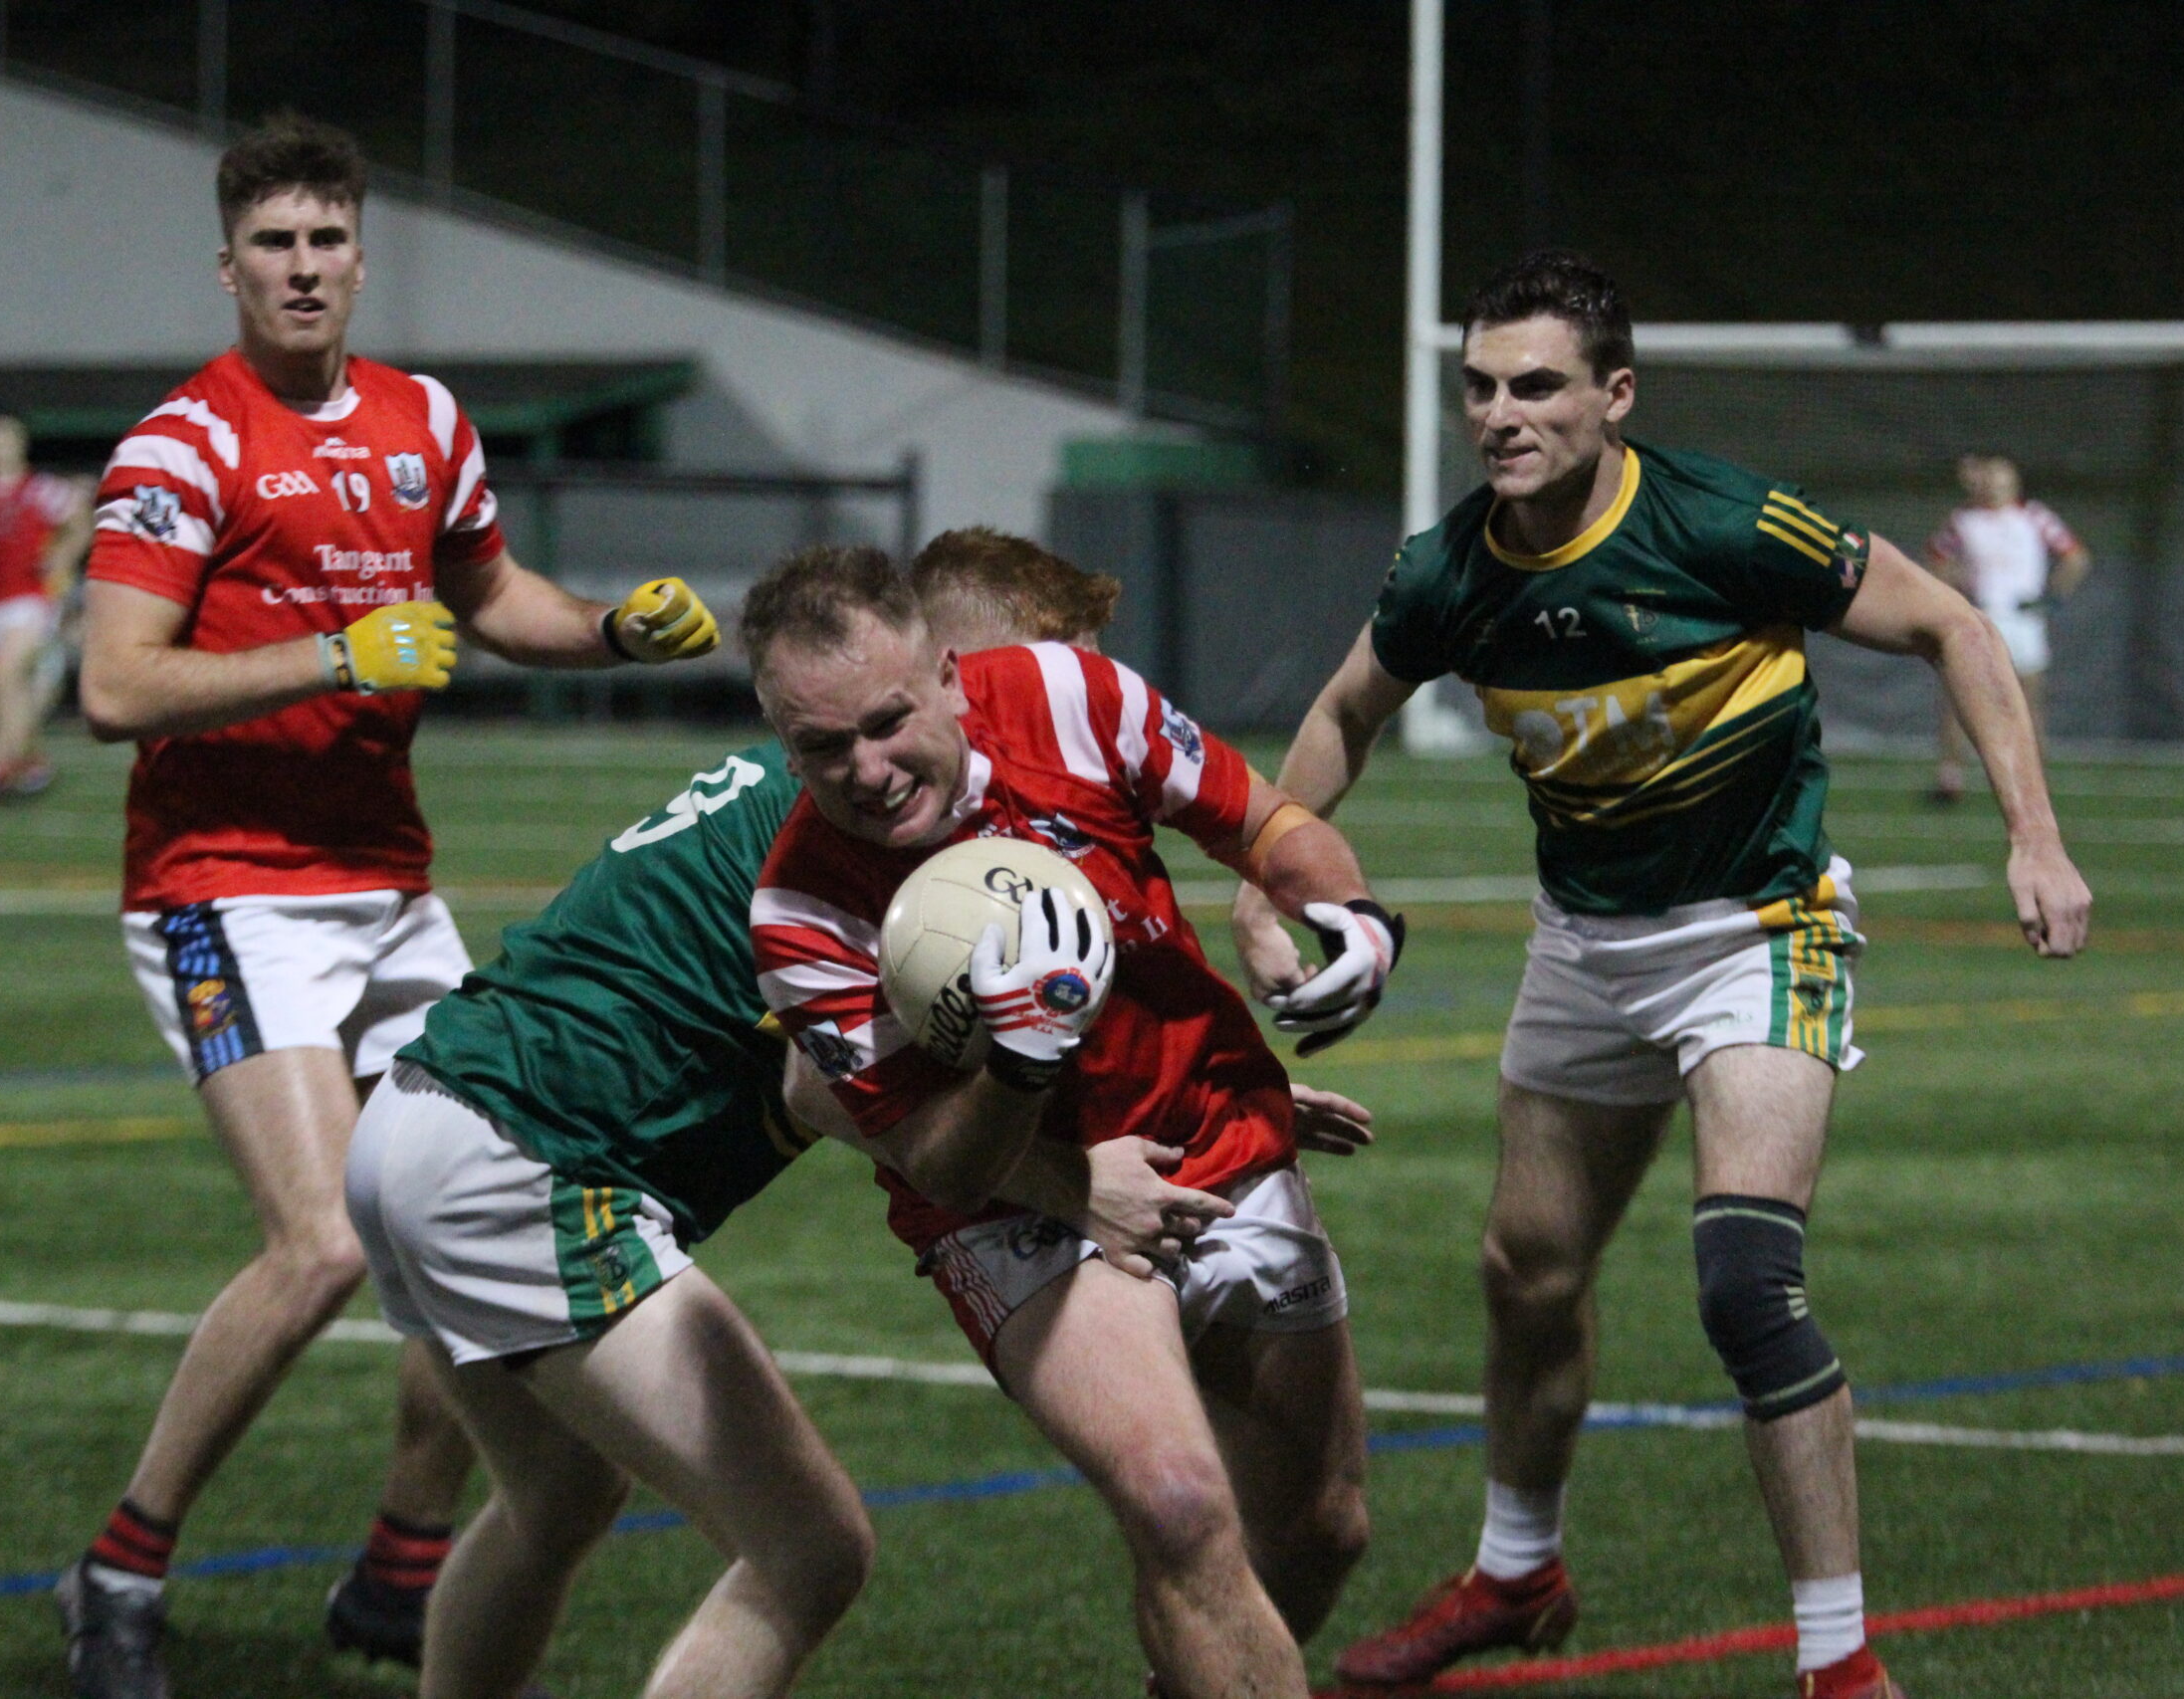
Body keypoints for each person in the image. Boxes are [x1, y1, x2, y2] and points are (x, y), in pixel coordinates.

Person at [1239, 251, 2091, 1699]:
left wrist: (2036, 837)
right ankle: (1518, 1569)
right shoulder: (1449, 570)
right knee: (1526, 1270)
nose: (1502, 415)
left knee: (1745, 1278)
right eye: (1481, 387)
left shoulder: (1719, 521)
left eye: (1538, 386)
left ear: (1614, 396)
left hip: (1759, 928)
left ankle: (1842, 1666)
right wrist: (1270, 882)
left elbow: (1951, 621)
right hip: (1585, 944)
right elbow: (1339, 711)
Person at [342, 528, 1370, 1696]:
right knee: (808, 1550)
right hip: (533, 1156)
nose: (1046, 710)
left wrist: (1235, 1071)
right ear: (954, 663)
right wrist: (1072, 1182)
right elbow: (817, 1090)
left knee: (556, 1500)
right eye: (1036, 666)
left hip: (418, 1123)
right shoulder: (840, 856)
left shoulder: (877, 783)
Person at [57, 113, 722, 1699]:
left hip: (388, 889)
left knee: (465, 1209)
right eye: (273, 242)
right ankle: (121, 1563)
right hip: (227, 894)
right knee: (317, 1247)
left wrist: (614, 631)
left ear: (362, 256)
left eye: (327, 238)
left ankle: (400, 1565)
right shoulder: (182, 443)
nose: (303, 267)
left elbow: (500, 604)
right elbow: (111, 684)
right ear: (230, 267)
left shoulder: (426, 419)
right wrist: (336, 650)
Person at [749, 544, 1403, 1699]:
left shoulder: (1069, 697)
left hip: (1216, 1132)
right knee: (1180, 1505)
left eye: (888, 721)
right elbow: (938, 1167)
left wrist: (1350, 915)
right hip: (1018, 1208)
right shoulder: (803, 907)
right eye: (820, 747)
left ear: (950, 675)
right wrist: (1016, 1064)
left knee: (1321, 1529)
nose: (866, 768)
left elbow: (1260, 819)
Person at [0, 413, 92, 801]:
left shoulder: (41, 489)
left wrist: (63, 554)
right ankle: (30, 765)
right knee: (1, 693)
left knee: (4, 673)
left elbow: (80, 524)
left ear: (20, 443)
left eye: (4, 438)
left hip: (33, 598)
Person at [1926, 454, 2090, 803]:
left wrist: (2052, 599)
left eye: (2002, 475)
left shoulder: (2034, 516)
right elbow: (1937, 560)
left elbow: (2076, 557)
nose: (1995, 482)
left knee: (2029, 703)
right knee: (1961, 699)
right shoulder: (1964, 520)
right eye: (1990, 475)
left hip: (2023, 620)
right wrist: (1959, 594)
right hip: (1980, 619)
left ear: (2015, 480)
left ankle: (2034, 783)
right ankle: (1950, 777)